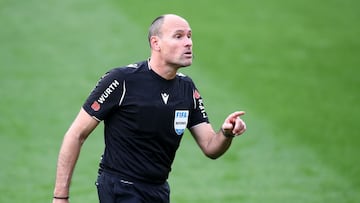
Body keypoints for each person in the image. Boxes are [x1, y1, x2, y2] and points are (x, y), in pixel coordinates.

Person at [53, 14, 247, 203]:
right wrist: (60, 196)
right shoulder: (122, 80)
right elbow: (76, 134)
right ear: (156, 43)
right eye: (178, 36)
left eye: (189, 36)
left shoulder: (186, 89)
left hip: (158, 190)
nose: (188, 42)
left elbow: (210, 147)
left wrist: (226, 132)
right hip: (121, 187)